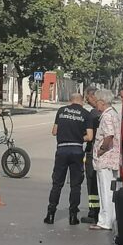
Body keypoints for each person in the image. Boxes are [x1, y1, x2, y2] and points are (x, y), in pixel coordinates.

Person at [44, 92, 92, 225]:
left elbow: (54, 131)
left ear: (70, 101)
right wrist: (78, 137)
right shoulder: (86, 114)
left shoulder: (61, 111)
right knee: (76, 185)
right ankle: (73, 216)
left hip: (62, 150)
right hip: (77, 150)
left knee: (57, 184)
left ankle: (50, 214)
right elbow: (89, 136)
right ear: (81, 101)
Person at [92, 88, 121, 231]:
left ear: (102, 102)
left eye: (97, 101)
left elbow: (109, 135)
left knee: (105, 191)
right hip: (114, 158)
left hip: (106, 159)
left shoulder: (106, 116)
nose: (96, 104)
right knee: (111, 191)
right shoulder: (114, 113)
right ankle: (111, 219)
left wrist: (101, 149)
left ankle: (104, 221)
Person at [82, 88, 102, 224]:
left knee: (92, 182)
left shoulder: (93, 114)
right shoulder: (104, 112)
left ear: (93, 97)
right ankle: (99, 211)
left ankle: (93, 212)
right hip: (101, 152)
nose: (86, 101)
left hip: (92, 152)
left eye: (87, 98)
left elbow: (89, 135)